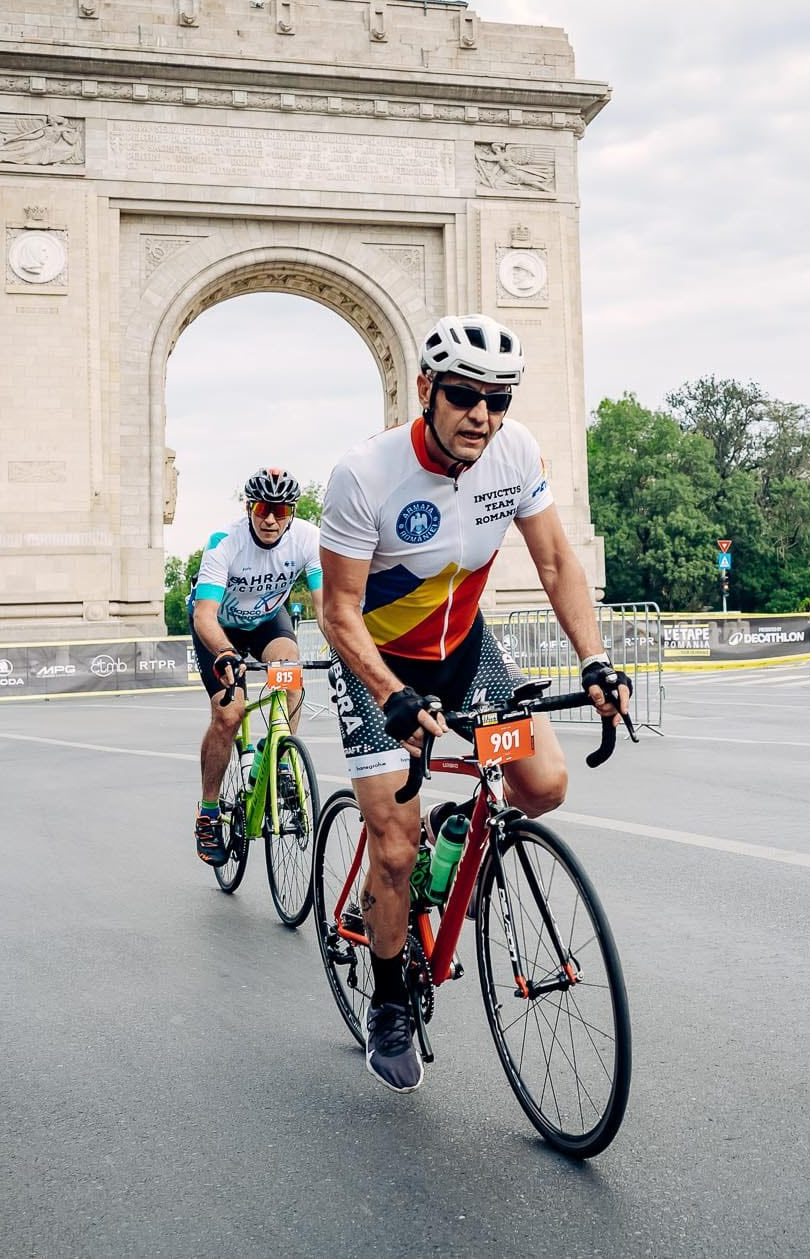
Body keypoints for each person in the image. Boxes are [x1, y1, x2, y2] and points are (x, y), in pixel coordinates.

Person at [317, 312, 630, 1094]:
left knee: (543, 784)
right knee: (393, 845)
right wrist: (392, 695)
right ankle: (389, 998)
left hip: (465, 649)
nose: (481, 416)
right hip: (377, 663)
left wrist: (593, 658)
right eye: (463, 396)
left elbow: (556, 560)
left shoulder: (515, 452)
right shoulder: (365, 476)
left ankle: (457, 829)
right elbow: (338, 613)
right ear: (426, 389)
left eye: (498, 399)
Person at [189, 467, 323, 866]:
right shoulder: (224, 543)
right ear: (249, 507)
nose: (270, 519)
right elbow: (205, 615)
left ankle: (280, 759)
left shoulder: (308, 538)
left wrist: (348, 655)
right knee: (229, 715)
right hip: (219, 629)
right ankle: (209, 813)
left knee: (291, 672)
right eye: (263, 508)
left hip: (267, 621)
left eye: (281, 511)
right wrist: (226, 654)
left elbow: (326, 607)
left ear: (292, 512)